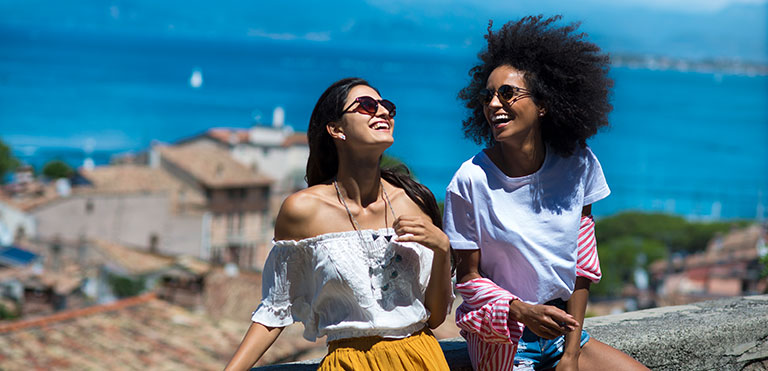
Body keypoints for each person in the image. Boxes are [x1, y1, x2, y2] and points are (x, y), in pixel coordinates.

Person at [443, 16, 649, 371]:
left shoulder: (579, 164)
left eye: (507, 93)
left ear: (543, 104)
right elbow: (467, 279)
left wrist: (570, 354)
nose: (494, 104)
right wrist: (520, 310)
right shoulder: (469, 180)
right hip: (504, 340)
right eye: (487, 95)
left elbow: (583, 266)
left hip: (564, 336)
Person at [225, 77, 453, 371]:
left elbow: (434, 317)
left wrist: (443, 249)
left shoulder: (415, 201)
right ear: (336, 129)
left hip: (421, 358)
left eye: (387, 106)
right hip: (349, 363)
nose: (382, 112)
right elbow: (274, 311)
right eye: (367, 106)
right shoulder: (302, 211)